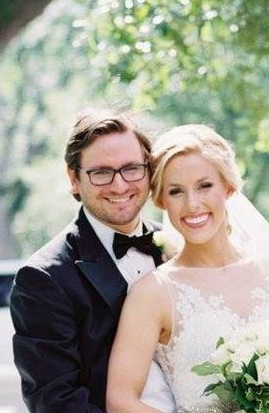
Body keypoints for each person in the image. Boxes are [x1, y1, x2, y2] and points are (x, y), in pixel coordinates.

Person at [105, 124, 269, 413]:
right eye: (176, 191)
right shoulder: (152, 293)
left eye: (205, 186)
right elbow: (120, 400)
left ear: (228, 187)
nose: (192, 204)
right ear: (161, 200)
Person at [9, 109, 175, 413]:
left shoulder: (178, 247)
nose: (120, 186)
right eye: (101, 172)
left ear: (149, 170)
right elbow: (55, 402)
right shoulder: (43, 279)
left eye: (131, 168)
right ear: (74, 179)